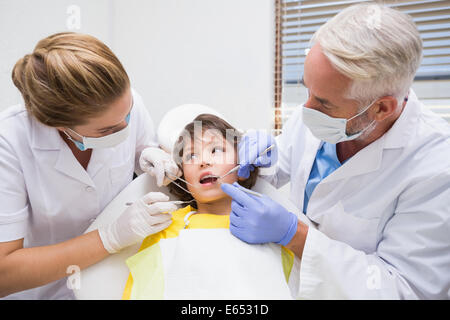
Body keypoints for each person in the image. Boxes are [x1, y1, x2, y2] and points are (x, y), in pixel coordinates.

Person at [220, 3, 450, 299]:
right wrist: (258, 159)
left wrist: (295, 235)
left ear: (381, 108)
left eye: (325, 103)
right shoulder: (327, 111)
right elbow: (280, 166)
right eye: (307, 90)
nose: (306, 110)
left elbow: (404, 289)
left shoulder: (436, 168)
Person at [0, 32, 180, 299]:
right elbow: (5, 274)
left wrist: (150, 154)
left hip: (115, 284)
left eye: (128, 113)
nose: (125, 128)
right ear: (57, 124)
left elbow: (141, 148)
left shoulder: (122, 103)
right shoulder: (10, 142)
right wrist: (109, 238)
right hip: (44, 292)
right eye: (107, 130)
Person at [122, 114, 296, 299]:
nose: (203, 161)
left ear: (243, 166)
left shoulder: (270, 223)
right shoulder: (165, 227)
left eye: (216, 150)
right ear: (181, 176)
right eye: (192, 155)